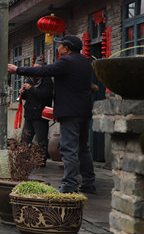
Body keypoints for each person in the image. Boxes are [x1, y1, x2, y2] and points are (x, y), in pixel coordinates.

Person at [8, 34, 95, 194]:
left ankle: (69, 184)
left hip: (69, 112)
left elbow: (45, 70)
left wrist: (18, 69)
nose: (58, 47)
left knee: (68, 148)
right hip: (84, 111)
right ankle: (89, 182)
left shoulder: (66, 61)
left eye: (60, 45)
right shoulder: (85, 62)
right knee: (83, 148)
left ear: (67, 48)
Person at [19, 56, 53, 151]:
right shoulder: (29, 80)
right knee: (25, 139)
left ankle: (41, 162)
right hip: (29, 114)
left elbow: (44, 95)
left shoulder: (47, 81)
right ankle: (24, 161)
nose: (34, 70)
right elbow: (27, 97)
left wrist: (31, 88)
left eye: (36, 68)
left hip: (40, 115)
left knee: (41, 141)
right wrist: (22, 93)